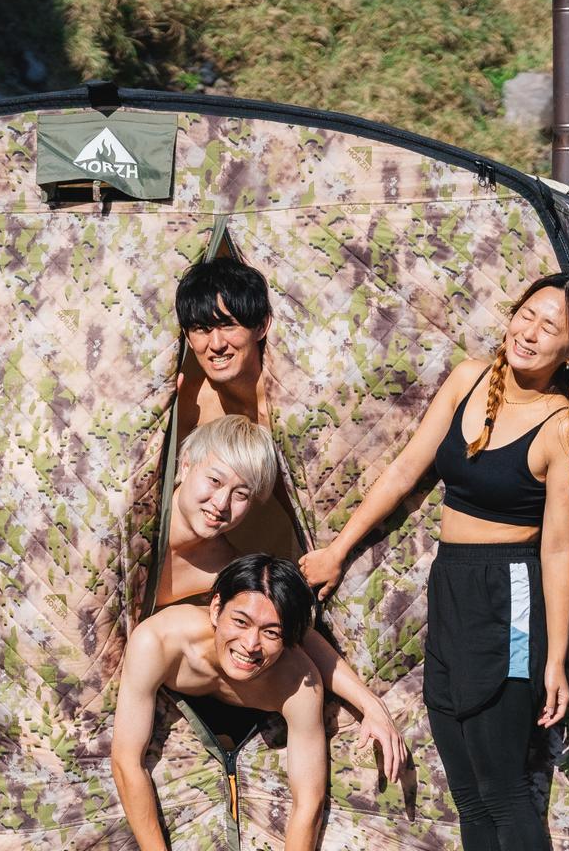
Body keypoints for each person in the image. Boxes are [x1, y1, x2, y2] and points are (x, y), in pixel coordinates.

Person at [298, 272, 569, 851]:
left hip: (512, 595)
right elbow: (408, 467)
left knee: (503, 782)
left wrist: (554, 661)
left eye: (549, 327)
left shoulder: (562, 428)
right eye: (525, 314)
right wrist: (338, 548)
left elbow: (558, 548)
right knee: (466, 781)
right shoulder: (472, 378)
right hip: (453, 586)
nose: (529, 331)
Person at [153, 414, 408, 780]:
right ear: (186, 465)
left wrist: (370, 704)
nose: (221, 503)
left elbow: (300, 632)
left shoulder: (224, 565)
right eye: (214, 481)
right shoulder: (135, 520)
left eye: (241, 494)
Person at [112, 555, 326, 851]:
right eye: (240, 622)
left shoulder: (297, 683)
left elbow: (309, 802)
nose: (250, 644)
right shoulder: (159, 641)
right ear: (215, 609)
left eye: (271, 632)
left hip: (252, 717)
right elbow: (126, 759)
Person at [173, 257, 270, 439]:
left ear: (261, 327)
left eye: (228, 326)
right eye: (201, 329)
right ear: (188, 338)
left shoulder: (290, 403)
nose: (217, 344)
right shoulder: (191, 403)